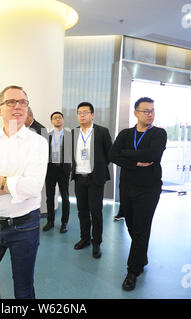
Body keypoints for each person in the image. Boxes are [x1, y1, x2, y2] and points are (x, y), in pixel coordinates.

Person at [0, 85, 48, 299]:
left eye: (23, 102)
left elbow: (32, 187)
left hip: (25, 226)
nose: (18, 106)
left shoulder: (38, 143)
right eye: (11, 102)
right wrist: (13, 183)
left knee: (23, 290)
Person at [109, 97, 167, 291]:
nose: (150, 114)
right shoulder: (126, 133)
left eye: (152, 111)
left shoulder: (159, 133)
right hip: (127, 186)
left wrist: (126, 153)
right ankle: (141, 256)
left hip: (149, 188)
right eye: (146, 111)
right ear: (136, 113)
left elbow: (153, 155)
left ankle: (133, 271)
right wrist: (135, 162)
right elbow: (112, 155)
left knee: (142, 227)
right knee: (131, 225)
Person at [71, 102, 112, 259]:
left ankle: (97, 243)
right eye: (79, 112)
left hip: (95, 179)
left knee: (96, 212)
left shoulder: (101, 131)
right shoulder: (74, 133)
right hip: (79, 178)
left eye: (85, 112)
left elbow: (109, 154)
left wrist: (99, 168)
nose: (82, 115)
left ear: (92, 115)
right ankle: (85, 239)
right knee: (82, 211)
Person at [43, 111, 72, 233]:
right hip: (50, 169)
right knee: (49, 197)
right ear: (51, 121)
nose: (58, 119)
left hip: (63, 170)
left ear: (63, 120)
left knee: (65, 197)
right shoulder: (47, 136)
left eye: (60, 117)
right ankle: (50, 221)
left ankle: (64, 223)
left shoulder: (69, 135)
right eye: (55, 118)